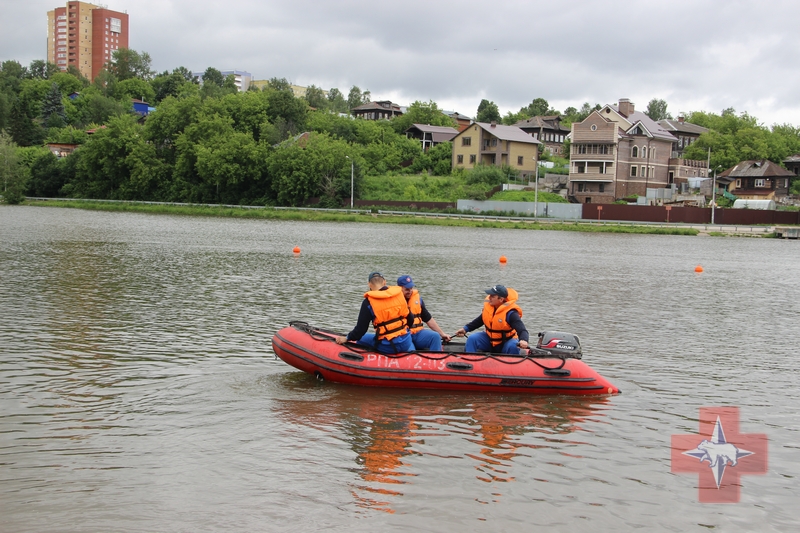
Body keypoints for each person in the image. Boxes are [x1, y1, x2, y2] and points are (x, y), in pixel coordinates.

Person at [336, 272, 415, 354]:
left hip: (389, 346)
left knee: (360, 339)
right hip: (406, 342)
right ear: (384, 282)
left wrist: (347, 338)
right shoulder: (399, 295)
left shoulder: (368, 302)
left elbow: (360, 330)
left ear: (369, 284)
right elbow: (411, 319)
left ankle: (363, 362)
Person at [453, 284, 529, 354]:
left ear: (501, 299)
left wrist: (524, 340)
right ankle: (470, 362)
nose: (489, 298)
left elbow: (522, 329)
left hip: (506, 342)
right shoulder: (489, 308)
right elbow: (480, 320)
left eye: (493, 296)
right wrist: (465, 329)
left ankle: (512, 367)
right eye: (490, 295)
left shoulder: (511, 313)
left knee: (513, 346)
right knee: (472, 338)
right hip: (489, 340)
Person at [396, 275, 451, 351]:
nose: (410, 291)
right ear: (399, 288)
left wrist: (442, 334)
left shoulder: (417, 299)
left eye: (411, 288)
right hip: (403, 336)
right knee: (411, 352)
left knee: (435, 336)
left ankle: (435, 361)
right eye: (407, 289)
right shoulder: (394, 302)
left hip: (418, 333)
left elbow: (428, 319)